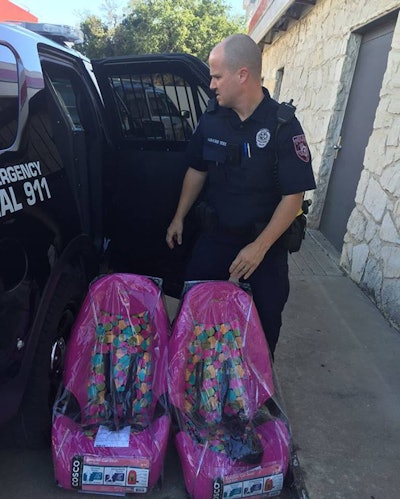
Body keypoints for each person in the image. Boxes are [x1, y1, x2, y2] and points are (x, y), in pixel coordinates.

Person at [166, 34, 316, 357]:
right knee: (192, 321)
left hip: (264, 248)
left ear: (242, 75)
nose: (211, 84)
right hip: (215, 239)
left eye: (217, 76)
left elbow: (293, 198)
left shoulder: (283, 127)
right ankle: (190, 391)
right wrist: (179, 217)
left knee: (261, 335)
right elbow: (197, 169)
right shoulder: (212, 120)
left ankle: (254, 401)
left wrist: (258, 249)